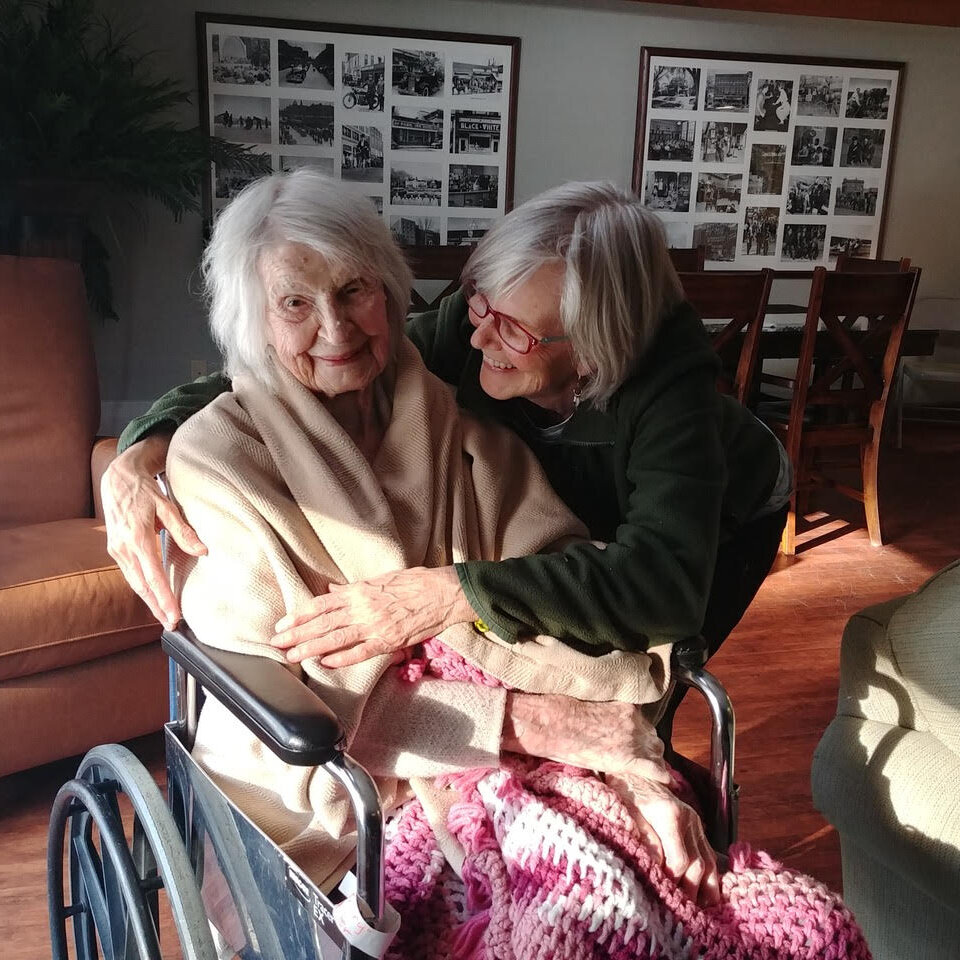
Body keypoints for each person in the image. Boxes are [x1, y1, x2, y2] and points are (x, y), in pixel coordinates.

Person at [105, 175, 791, 876]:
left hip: (717, 523)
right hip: (401, 762)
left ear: (589, 351)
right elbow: (265, 373)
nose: (336, 328)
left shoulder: (648, 405)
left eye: (353, 292)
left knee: (653, 693)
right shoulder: (467, 343)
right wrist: (141, 448)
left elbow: (656, 590)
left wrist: (630, 767)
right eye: (295, 303)